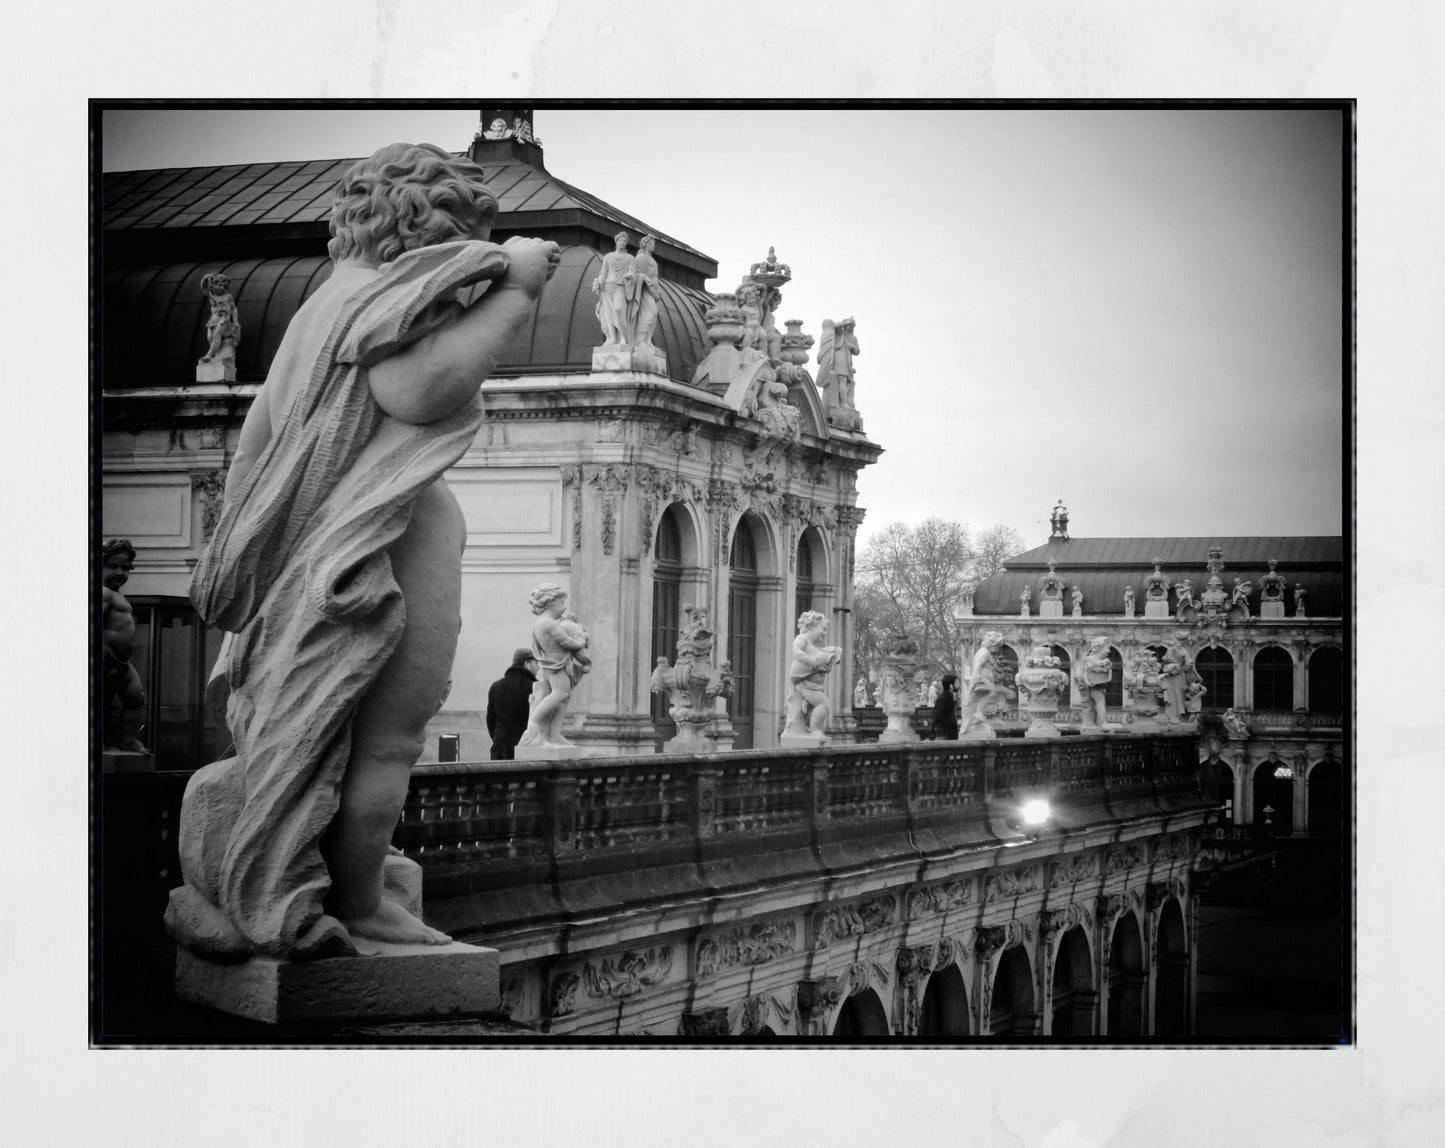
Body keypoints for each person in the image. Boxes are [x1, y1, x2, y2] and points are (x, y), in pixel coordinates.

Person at [169, 142, 561, 959]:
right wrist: (517, 288)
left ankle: (321, 881)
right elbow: (418, 392)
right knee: (385, 740)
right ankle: (357, 903)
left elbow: (255, 449)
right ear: (436, 226)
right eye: (472, 233)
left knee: (331, 739)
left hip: (315, 563)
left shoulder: (317, 308)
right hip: (372, 556)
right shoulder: (383, 300)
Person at [517, 584, 591, 748]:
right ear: (550, 604)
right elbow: (566, 641)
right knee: (560, 693)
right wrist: (582, 640)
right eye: (561, 603)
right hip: (555, 663)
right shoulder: (548, 623)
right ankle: (533, 728)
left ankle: (554, 735)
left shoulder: (545, 622)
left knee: (563, 698)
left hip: (557, 663)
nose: (564, 607)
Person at [100, 538, 147, 752]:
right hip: (104, 656)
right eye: (113, 566)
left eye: (125, 568)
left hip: (122, 661)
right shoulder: (102, 592)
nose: (120, 572)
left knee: (135, 697)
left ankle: (127, 739)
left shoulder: (117, 595)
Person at [782, 611, 842, 738]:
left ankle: (809, 726)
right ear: (811, 626)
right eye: (823, 629)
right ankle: (816, 731)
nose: (825, 634)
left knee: (814, 707)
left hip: (811, 685)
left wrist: (827, 663)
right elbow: (797, 652)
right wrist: (811, 662)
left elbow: (823, 657)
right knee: (823, 704)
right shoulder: (801, 639)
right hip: (805, 684)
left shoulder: (813, 646)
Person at [486, 648, 537, 760]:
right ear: (527, 663)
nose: (538, 667)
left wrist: (498, 738)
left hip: (499, 749)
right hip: (525, 751)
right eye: (536, 662)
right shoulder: (535, 687)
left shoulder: (496, 686)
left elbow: (490, 720)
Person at [592, 230, 635, 345]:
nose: (622, 243)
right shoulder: (608, 256)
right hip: (607, 287)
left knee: (618, 309)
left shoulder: (630, 258)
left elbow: (632, 271)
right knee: (608, 313)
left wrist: (630, 275)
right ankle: (612, 338)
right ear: (616, 242)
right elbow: (603, 273)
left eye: (625, 241)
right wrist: (599, 282)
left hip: (620, 287)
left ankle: (624, 337)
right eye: (621, 240)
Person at [959, 632, 1003, 734]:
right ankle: (978, 712)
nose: (997, 650)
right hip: (981, 678)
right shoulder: (984, 652)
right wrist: (975, 675)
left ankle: (977, 715)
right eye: (997, 647)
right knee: (991, 693)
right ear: (991, 645)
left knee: (990, 694)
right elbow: (978, 664)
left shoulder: (984, 651)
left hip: (982, 677)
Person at [631, 234, 661, 349]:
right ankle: (640, 341)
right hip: (645, 290)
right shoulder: (641, 257)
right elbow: (637, 273)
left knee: (653, 316)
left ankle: (648, 341)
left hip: (653, 289)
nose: (653, 246)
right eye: (650, 243)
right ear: (644, 244)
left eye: (653, 244)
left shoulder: (651, 258)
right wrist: (647, 280)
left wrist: (656, 290)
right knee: (649, 314)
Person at [931, 674, 960, 740]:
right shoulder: (942, 699)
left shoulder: (950, 698)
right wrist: (953, 722)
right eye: (957, 683)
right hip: (945, 735)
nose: (959, 685)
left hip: (950, 734)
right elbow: (938, 717)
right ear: (951, 686)